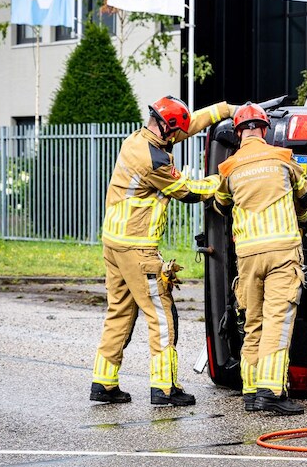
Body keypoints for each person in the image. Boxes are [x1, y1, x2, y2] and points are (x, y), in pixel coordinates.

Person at [91, 96, 235, 406]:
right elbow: (188, 191)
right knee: (162, 315)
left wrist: (223, 110)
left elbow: (185, 127)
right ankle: (165, 388)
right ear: (165, 129)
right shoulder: (154, 161)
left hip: (114, 243)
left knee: (119, 312)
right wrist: (223, 180)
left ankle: (103, 382)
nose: (176, 138)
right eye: (173, 133)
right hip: (137, 248)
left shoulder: (137, 140)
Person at [213, 103, 307, 415]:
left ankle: (252, 392)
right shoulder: (283, 158)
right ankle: (271, 392)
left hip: (248, 258)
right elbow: (306, 195)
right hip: (282, 253)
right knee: (277, 322)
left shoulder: (228, 168)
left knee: (253, 323)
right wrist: (301, 215)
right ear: (265, 129)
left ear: (239, 132)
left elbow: (220, 205)